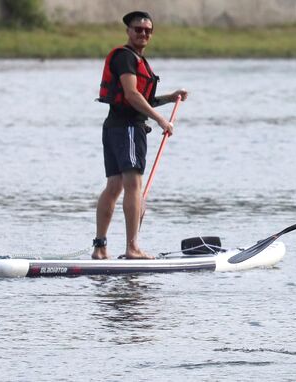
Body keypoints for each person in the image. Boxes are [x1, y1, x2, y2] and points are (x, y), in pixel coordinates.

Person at [92, 11, 188, 260]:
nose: (143, 33)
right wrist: (160, 121)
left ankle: (100, 249)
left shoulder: (134, 59)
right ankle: (132, 248)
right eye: (138, 29)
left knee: (113, 187)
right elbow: (133, 95)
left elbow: (140, 98)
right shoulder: (125, 58)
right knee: (133, 186)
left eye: (147, 30)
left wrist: (170, 97)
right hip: (127, 129)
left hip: (114, 127)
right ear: (128, 31)